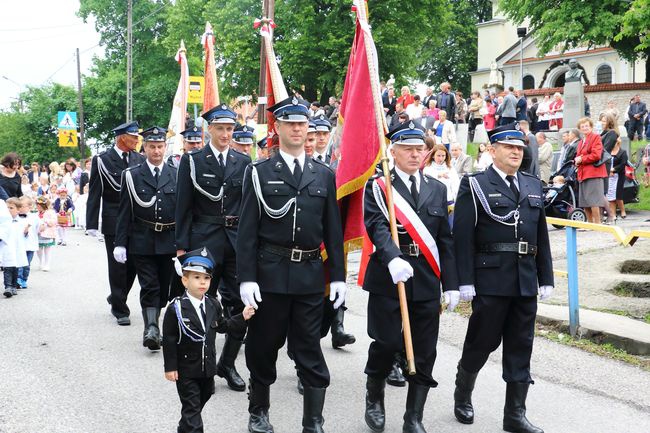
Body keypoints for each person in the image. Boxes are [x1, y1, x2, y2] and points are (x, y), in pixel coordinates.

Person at [237, 95, 346, 433]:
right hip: (269, 273)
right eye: (291, 124)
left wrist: (339, 277)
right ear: (278, 128)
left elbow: (333, 230)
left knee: (309, 348)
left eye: (303, 124)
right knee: (263, 345)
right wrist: (246, 278)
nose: (298, 129)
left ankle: (313, 421)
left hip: (310, 276)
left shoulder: (323, 175)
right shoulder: (259, 172)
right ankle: (259, 412)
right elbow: (247, 231)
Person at [452, 123, 553, 433]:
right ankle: (463, 392)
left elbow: (541, 235)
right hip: (491, 279)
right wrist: (464, 280)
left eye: (520, 148)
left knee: (521, 345)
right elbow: (462, 237)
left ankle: (515, 414)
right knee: (482, 342)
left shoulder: (533, 184)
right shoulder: (476, 185)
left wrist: (545, 277)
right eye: (509, 147)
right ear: (492, 150)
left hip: (524, 280)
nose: (515, 152)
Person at [361, 121, 458, 433]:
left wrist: (452, 284)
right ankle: (374, 395)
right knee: (387, 342)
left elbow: (445, 240)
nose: (416, 154)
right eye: (408, 149)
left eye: (420, 149)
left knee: (425, 349)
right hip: (390, 277)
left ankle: (413, 416)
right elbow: (376, 225)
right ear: (394, 151)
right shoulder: (378, 187)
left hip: (427, 279)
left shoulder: (438, 189)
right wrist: (392, 258)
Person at [175, 103, 251, 392]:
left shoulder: (243, 162)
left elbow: (249, 207)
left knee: (243, 305)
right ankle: (201, 363)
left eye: (230, 129)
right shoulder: (193, 161)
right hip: (203, 241)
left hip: (235, 241)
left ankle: (228, 363)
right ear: (210, 129)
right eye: (220, 128)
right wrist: (182, 247)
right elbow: (183, 205)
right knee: (199, 304)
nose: (225, 134)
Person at [162, 247, 255, 433]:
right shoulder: (177, 308)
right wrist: (170, 367)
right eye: (196, 278)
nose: (202, 282)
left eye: (206, 278)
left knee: (200, 402)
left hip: (207, 369)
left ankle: (184, 427)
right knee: (193, 411)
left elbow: (223, 325)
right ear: (185, 280)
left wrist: (242, 317)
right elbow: (169, 340)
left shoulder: (213, 303)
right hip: (186, 370)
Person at [114, 126, 178, 351]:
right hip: (142, 239)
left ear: (165, 147)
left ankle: (156, 320)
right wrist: (120, 243)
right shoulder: (131, 175)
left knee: (164, 287)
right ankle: (151, 328)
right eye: (152, 146)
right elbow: (124, 211)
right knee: (149, 285)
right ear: (145, 148)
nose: (157, 151)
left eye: (160, 146)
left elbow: (184, 211)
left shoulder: (176, 173)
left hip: (169, 240)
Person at [86, 121, 146, 326]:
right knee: (118, 265)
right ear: (122, 138)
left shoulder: (139, 158)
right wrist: (92, 223)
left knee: (134, 265)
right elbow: (95, 192)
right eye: (134, 137)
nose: (138, 140)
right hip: (114, 219)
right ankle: (120, 308)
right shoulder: (103, 160)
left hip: (136, 220)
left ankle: (116, 295)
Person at [575, 117, 608, 224]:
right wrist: (576, 160)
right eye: (582, 126)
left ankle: (597, 223)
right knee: (585, 201)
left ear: (591, 127)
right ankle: (589, 224)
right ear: (579, 128)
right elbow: (579, 155)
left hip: (593, 173)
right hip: (583, 174)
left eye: (587, 126)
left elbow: (596, 155)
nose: (584, 128)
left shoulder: (595, 137)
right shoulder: (581, 142)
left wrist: (581, 159)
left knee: (594, 201)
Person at [2, 197, 29, 298]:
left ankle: (13, 286)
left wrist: (26, 231)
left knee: (15, 268)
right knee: (8, 268)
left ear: (18, 210)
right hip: (7, 248)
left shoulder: (21, 222)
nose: (8, 210)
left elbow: (25, 235)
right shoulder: (3, 222)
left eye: (11, 208)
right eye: (7, 208)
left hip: (17, 249)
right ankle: (8, 287)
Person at [423, 144, 460, 217]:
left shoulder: (450, 168)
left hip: (448, 202)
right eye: (438, 155)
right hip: (433, 203)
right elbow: (425, 183)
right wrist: (438, 175)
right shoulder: (428, 168)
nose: (441, 158)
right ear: (433, 156)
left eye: (443, 156)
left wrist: (456, 201)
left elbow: (456, 185)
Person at [17, 196, 39, 289]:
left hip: (30, 244)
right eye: (19, 206)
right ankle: (18, 279)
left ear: (29, 207)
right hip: (19, 244)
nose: (20, 208)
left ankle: (24, 279)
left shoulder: (34, 217)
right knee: (19, 263)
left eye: (22, 206)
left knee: (26, 264)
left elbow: (37, 228)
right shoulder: (15, 217)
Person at [606, 138, 628, 224]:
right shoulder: (608, 151)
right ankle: (613, 215)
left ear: (618, 143)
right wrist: (608, 171)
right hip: (609, 176)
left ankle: (622, 210)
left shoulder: (622, 152)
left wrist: (613, 170)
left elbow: (623, 164)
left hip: (619, 175)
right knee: (610, 196)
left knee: (618, 195)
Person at [35, 196, 56, 272]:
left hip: (47, 234)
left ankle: (47, 264)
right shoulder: (36, 213)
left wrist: (45, 221)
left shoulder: (51, 212)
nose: (37, 206)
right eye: (37, 205)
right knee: (38, 250)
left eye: (39, 205)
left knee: (47, 250)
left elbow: (54, 222)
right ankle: (40, 262)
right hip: (38, 234)